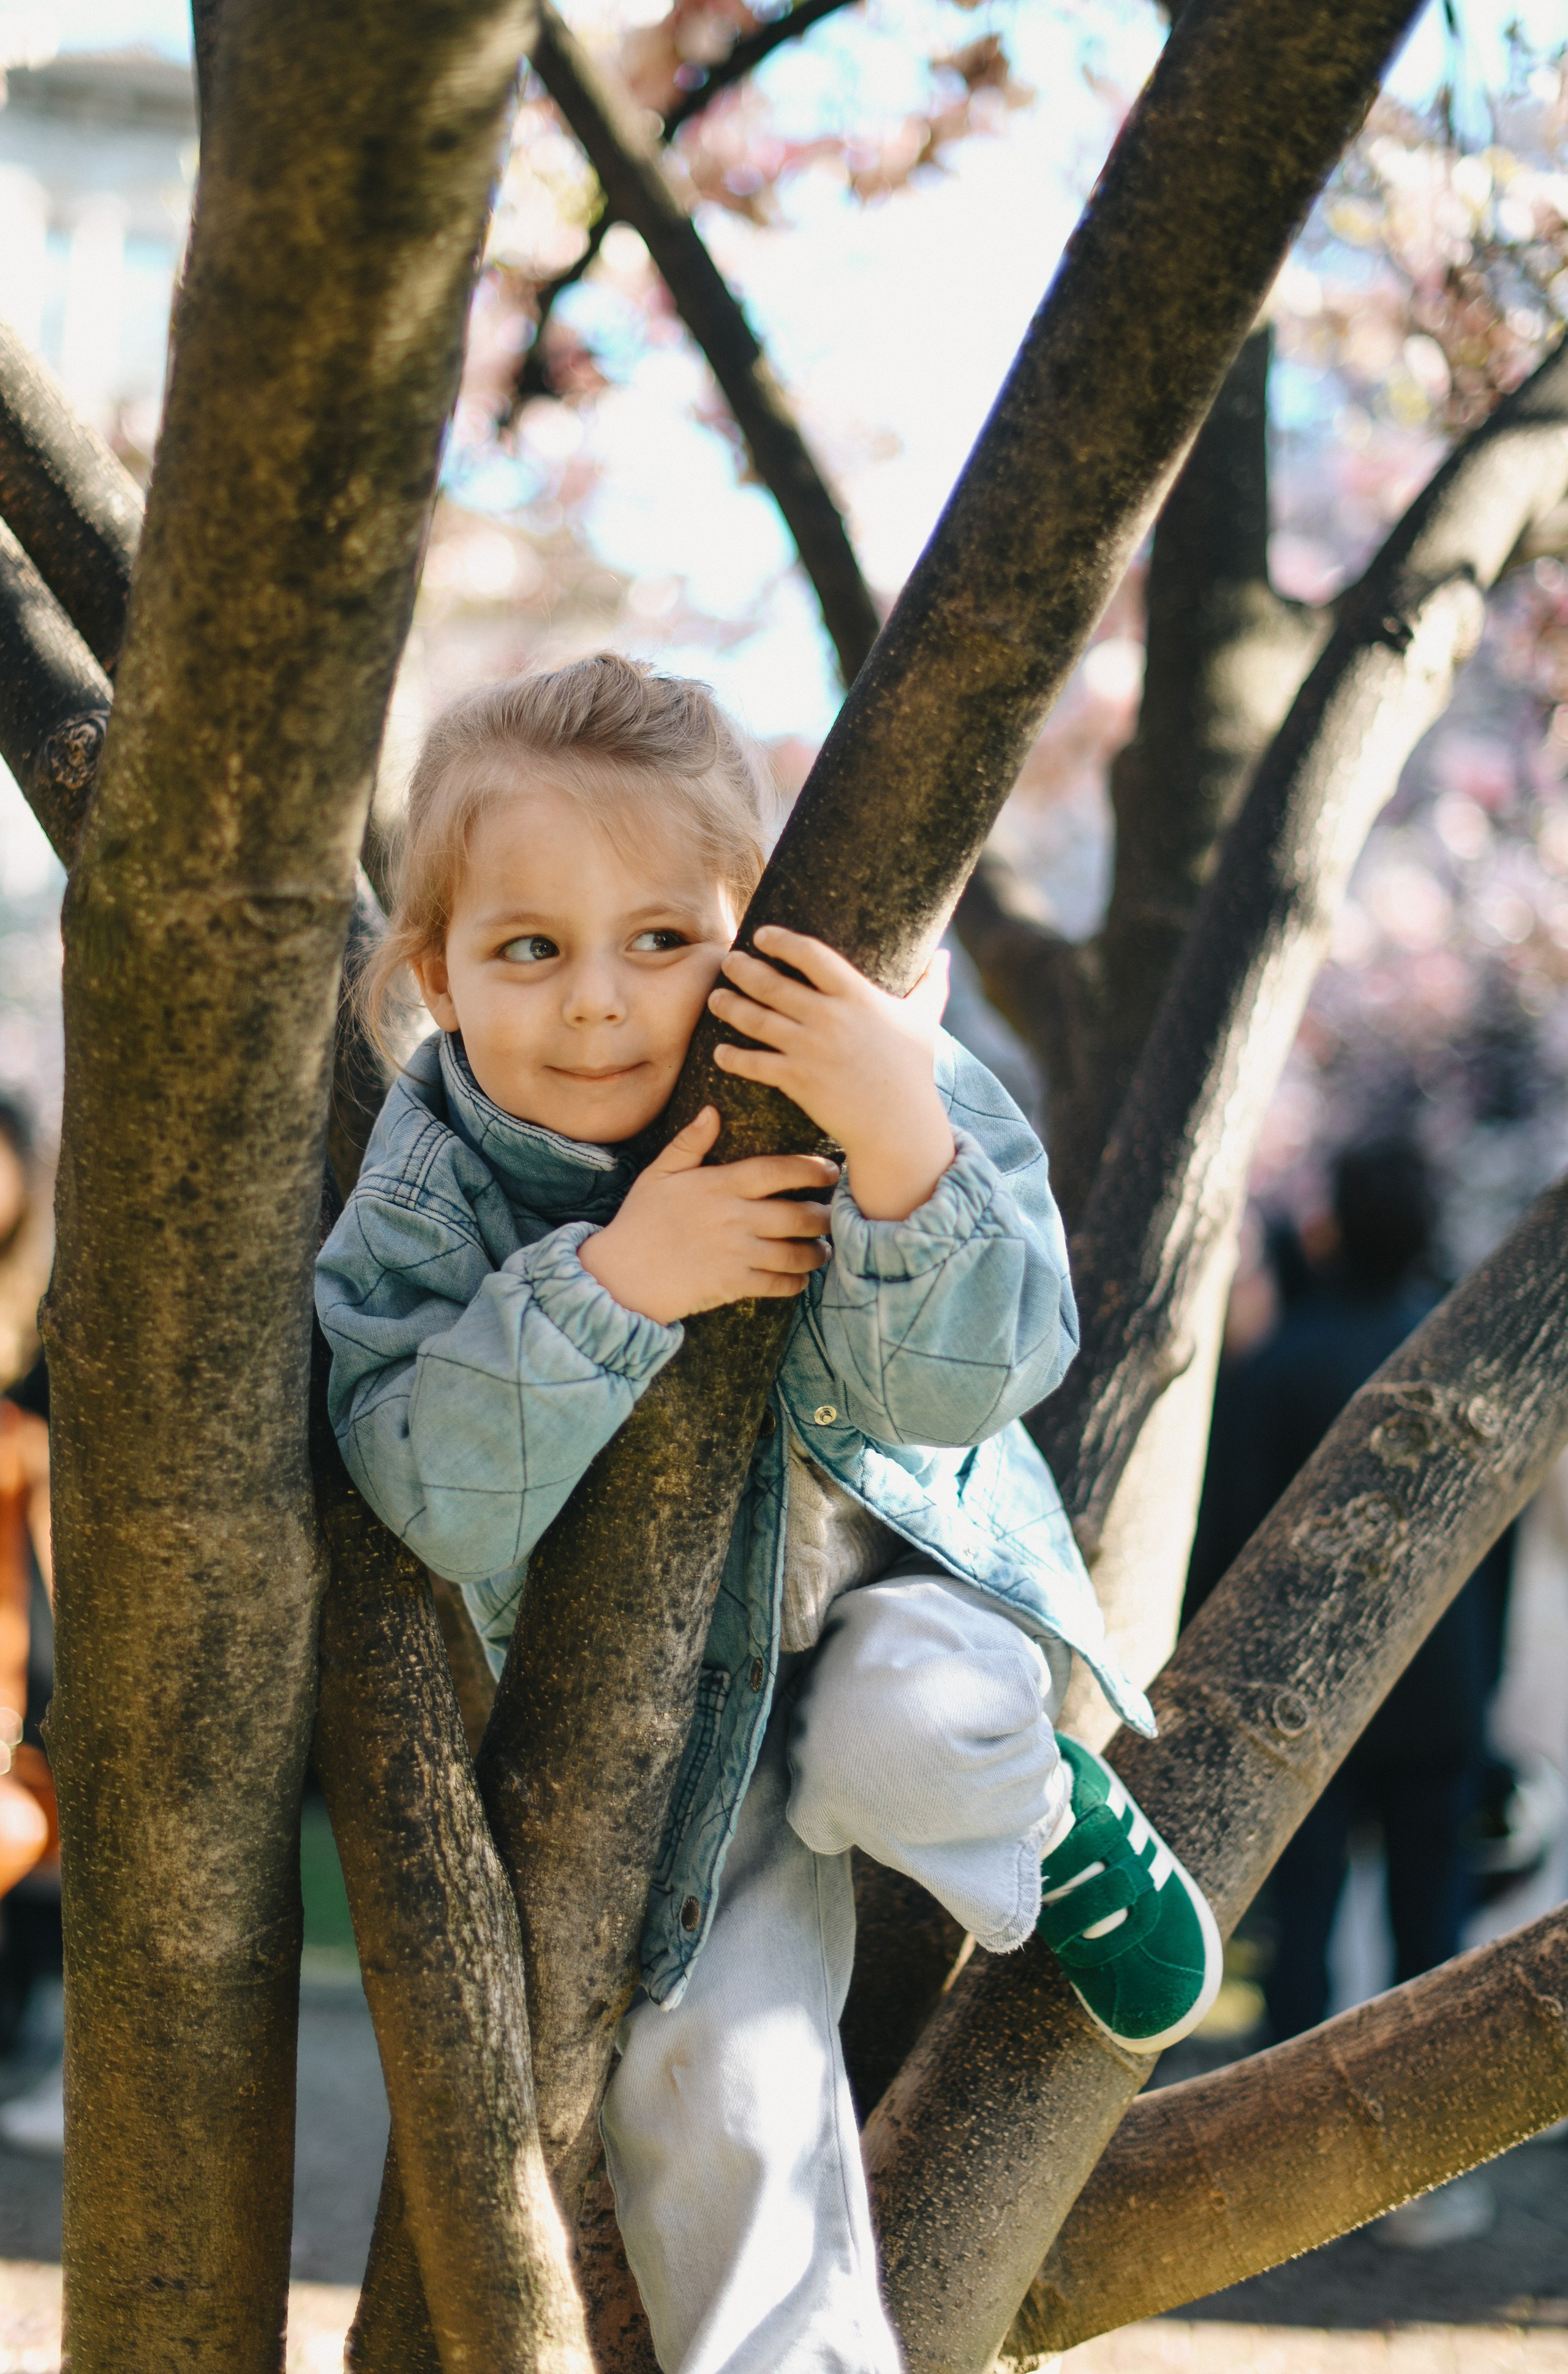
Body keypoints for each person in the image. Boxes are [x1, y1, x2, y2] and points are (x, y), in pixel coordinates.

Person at [317, 654, 1222, 2374]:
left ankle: (1063, 1832)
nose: (600, 1002)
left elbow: (982, 1376)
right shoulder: (428, 1187)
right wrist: (608, 1286)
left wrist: (894, 1137)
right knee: (708, 2081)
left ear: (750, 936)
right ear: (433, 973)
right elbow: (425, 1486)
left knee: (911, 1718)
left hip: (894, 1606)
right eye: (530, 948)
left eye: (665, 939)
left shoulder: (848, 1071)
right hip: (652, 1747)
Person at [1186, 1140, 1501, 2045]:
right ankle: (1424, 2131)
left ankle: (1274, 2129)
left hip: (1303, 1694)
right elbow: (1500, 1551)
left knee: (1305, 1926)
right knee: (1431, 1934)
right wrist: (1483, 1676)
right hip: (1441, 1677)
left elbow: (1230, 1533)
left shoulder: (1285, 1364)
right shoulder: (1469, 1362)